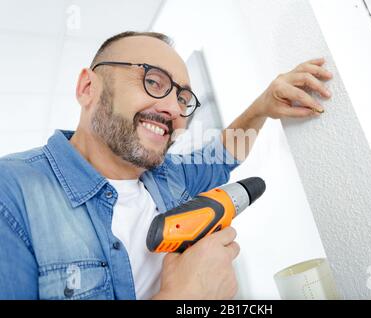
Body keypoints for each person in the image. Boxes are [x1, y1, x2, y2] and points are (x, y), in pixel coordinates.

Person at [0, 31, 333, 299]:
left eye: (183, 99)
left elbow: (224, 154)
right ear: (88, 88)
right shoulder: (12, 193)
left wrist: (263, 106)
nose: (174, 109)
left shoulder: (169, 176)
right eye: (154, 82)